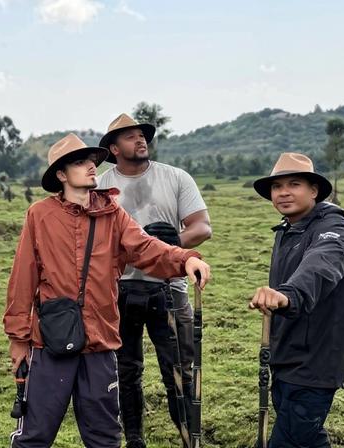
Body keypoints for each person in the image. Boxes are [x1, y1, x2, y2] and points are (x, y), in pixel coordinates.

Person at [4, 133, 211, 447]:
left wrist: (186, 259)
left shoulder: (112, 213)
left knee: (105, 437)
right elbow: (23, 278)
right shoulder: (40, 215)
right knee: (35, 434)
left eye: (91, 161)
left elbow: (146, 248)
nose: (90, 167)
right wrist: (18, 339)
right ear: (61, 175)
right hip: (51, 340)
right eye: (79, 162)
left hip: (101, 340)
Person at [96, 113, 212, 447]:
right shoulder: (101, 186)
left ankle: (190, 436)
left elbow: (202, 226)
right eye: (130, 137)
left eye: (142, 135)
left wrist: (175, 241)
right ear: (114, 148)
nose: (140, 140)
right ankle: (133, 438)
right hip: (118, 289)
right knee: (125, 370)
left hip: (169, 287)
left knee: (179, 368)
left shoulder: (175, 178)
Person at [249, 152, 344, 447]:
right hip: (285, 355)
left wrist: (287, 295)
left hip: (315, 362)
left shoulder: (334, 232)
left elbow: (320, 268)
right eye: (277, 187)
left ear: (314, 190)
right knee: (307, 439)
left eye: (294, 184)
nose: (283, 193)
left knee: (287, 441)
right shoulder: (289, 229)